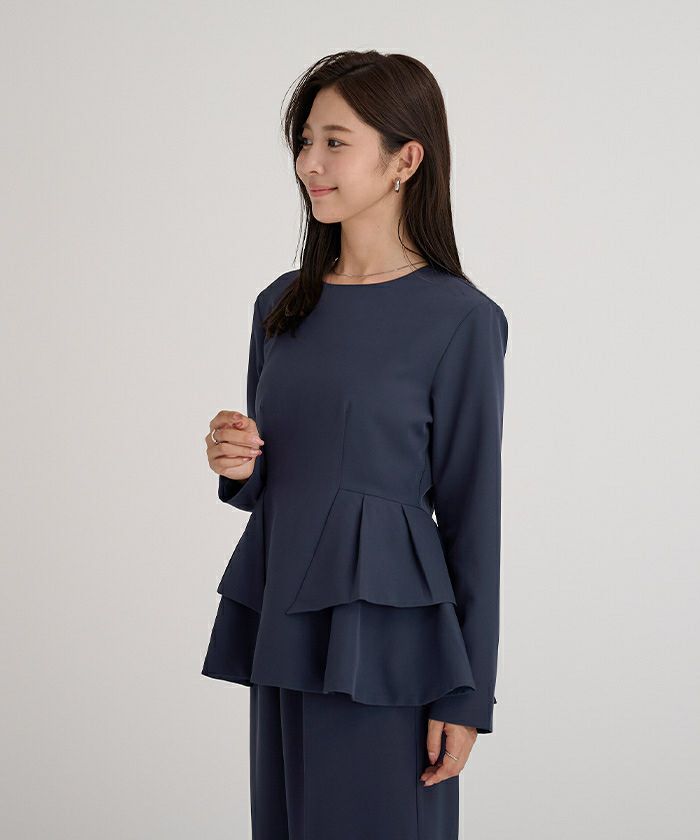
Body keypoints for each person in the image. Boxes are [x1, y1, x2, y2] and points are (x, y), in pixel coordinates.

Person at [202, 49, 508, 840]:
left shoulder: (461, 319)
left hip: (390, 650)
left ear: (406, 160)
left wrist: (467, 694)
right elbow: (278, 475)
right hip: (284, 625)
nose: (309, 163)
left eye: (335, 142)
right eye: (304, 141)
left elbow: (473, 519)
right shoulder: (280, 305)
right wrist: (236, 464)